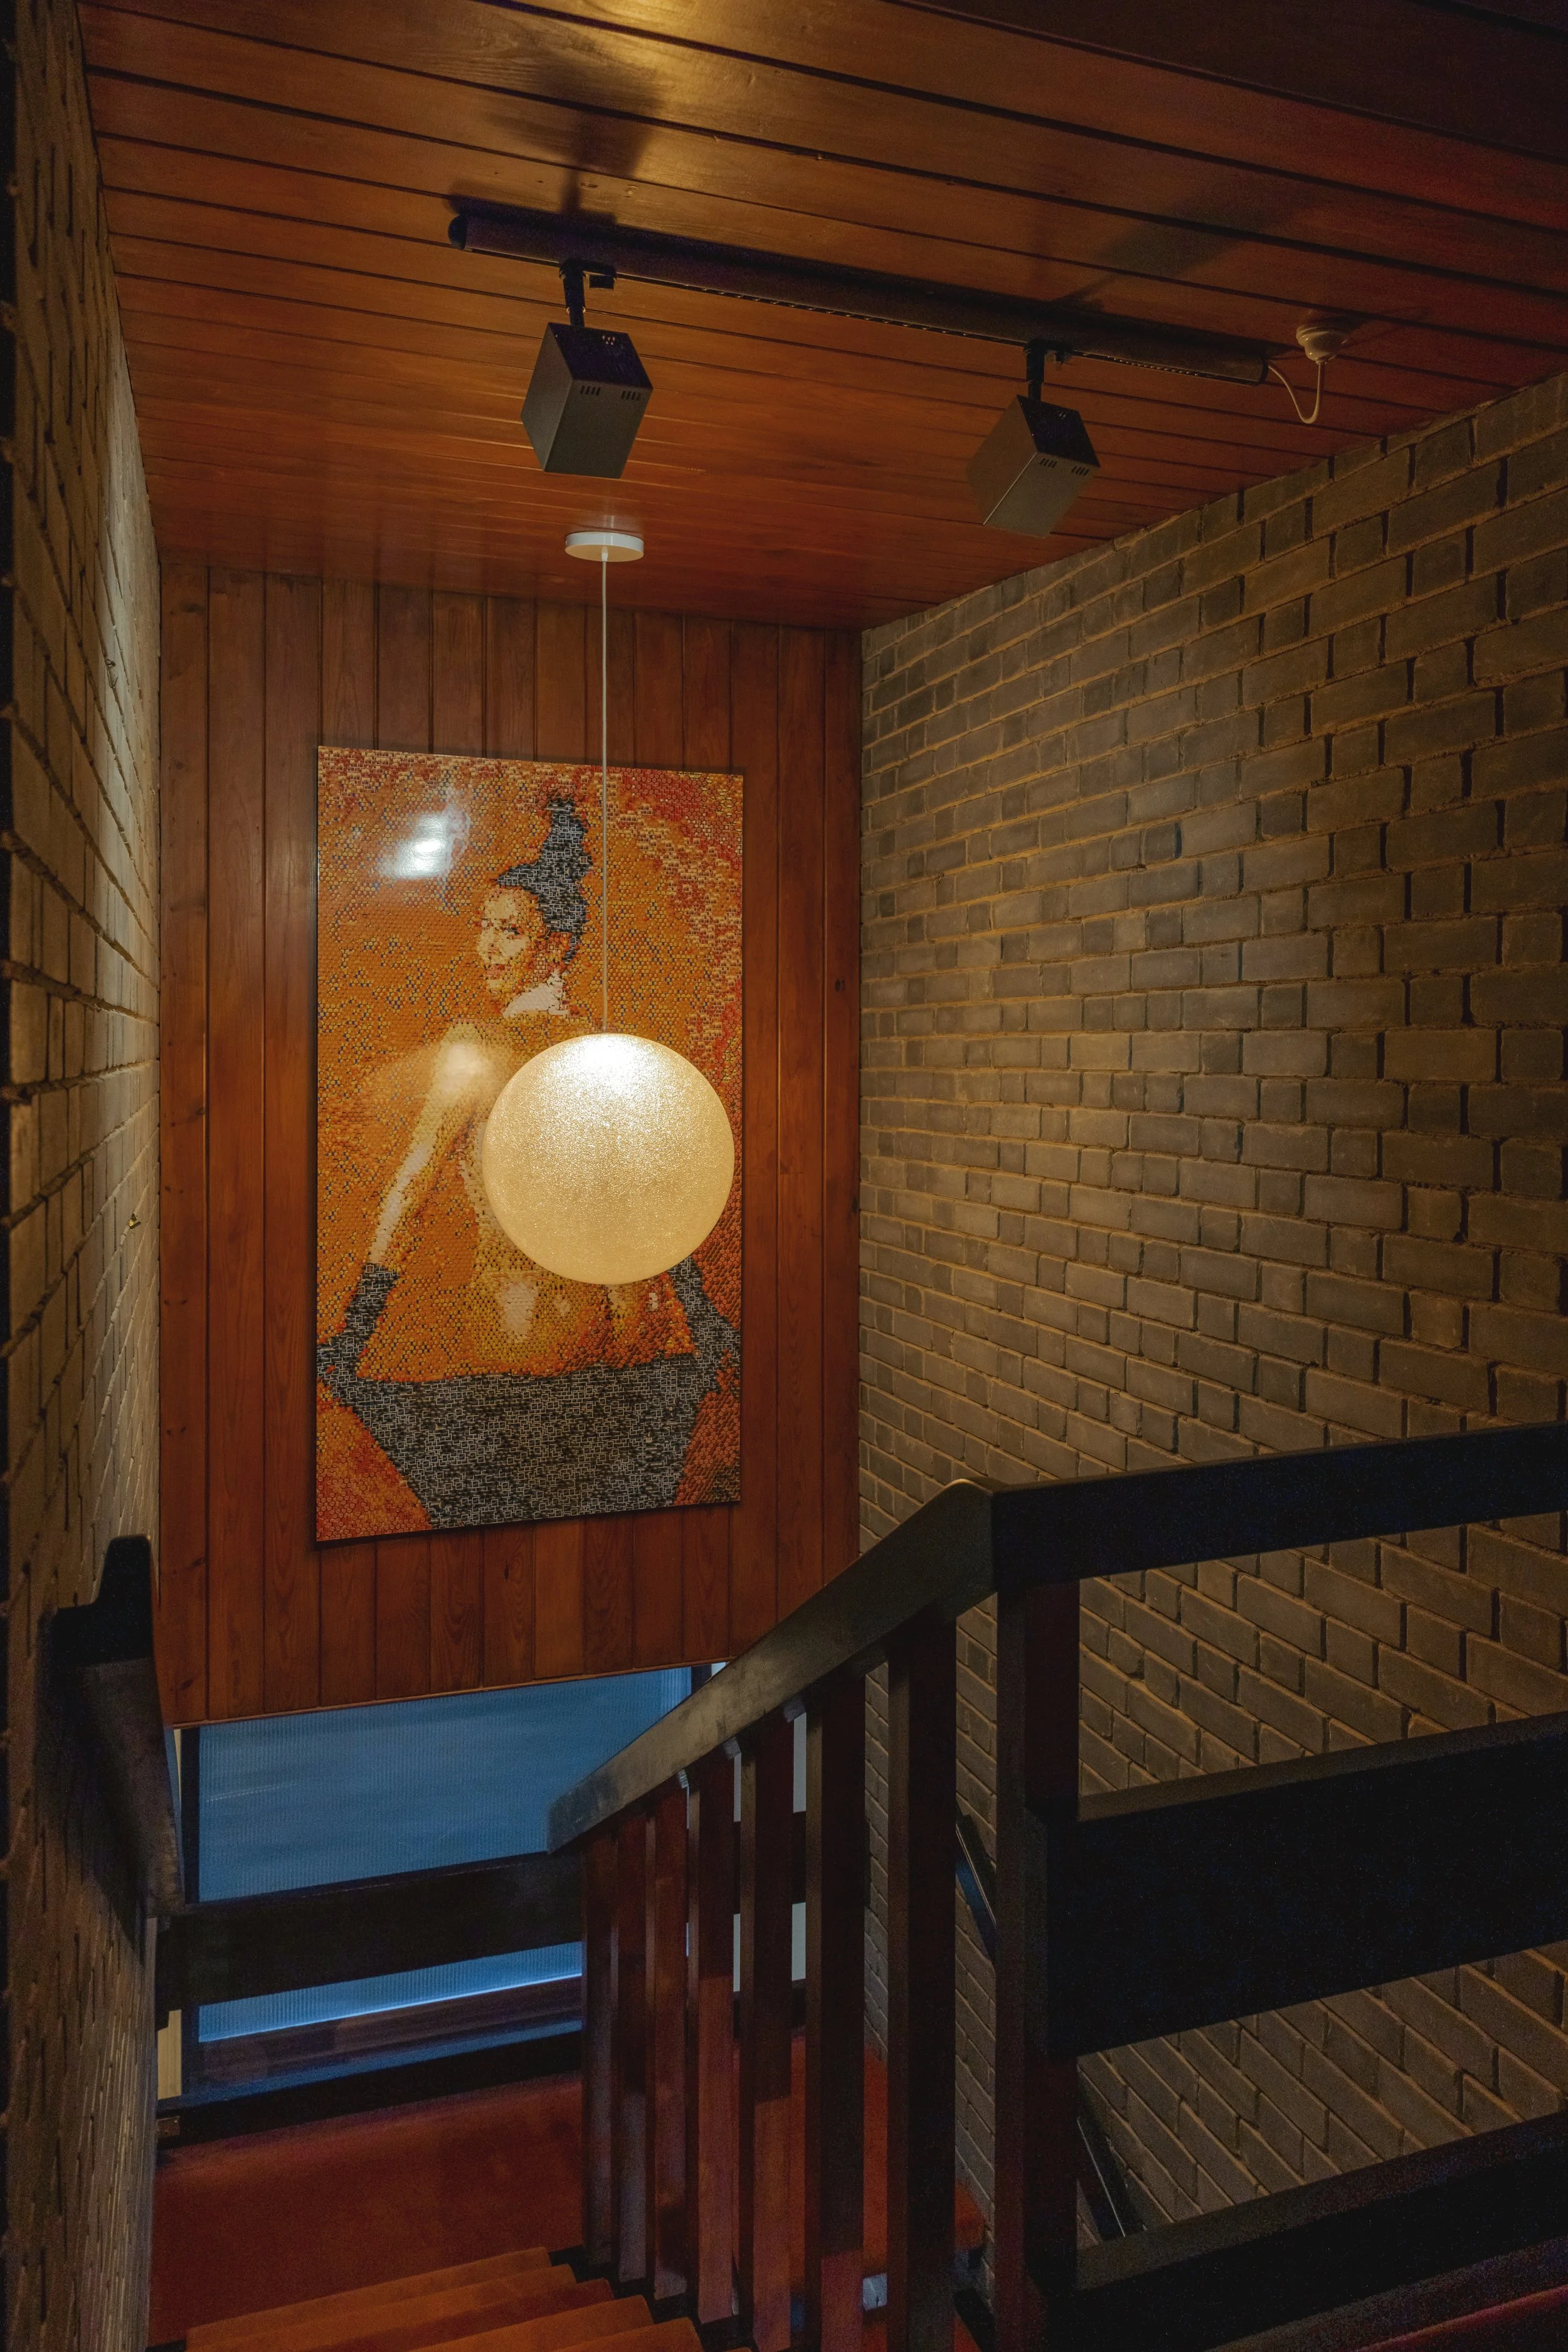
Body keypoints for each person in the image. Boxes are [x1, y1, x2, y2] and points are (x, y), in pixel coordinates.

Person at [318, 796, 736, 1528]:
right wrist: (703, 1323)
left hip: (530, 1341)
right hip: (629, 1346)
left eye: (509, 931)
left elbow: (410, 1192)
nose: (487, 947)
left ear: (558, 946)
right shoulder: (606, 1049)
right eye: (483, 926)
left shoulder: (477, 1047)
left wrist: (352, 1337)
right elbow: (655, 1195)